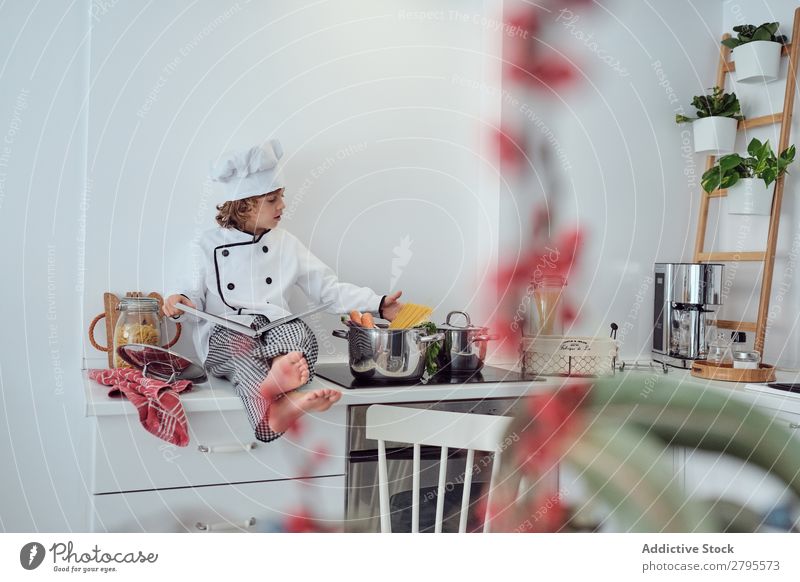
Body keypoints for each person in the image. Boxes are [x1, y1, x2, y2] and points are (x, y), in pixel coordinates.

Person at [164, 139, 403, 441]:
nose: (283, 206)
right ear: (245, 204)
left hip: (276, 332)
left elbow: (328, 289)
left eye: (282, 197)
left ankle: (276, 399)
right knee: (243, 354)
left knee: (299, 333)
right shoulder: (204, 246)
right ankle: (279, 388)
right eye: (273, 199)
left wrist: (378, 304)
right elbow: (188, 296)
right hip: (227, 335)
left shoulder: (286, 244)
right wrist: (178, 302)